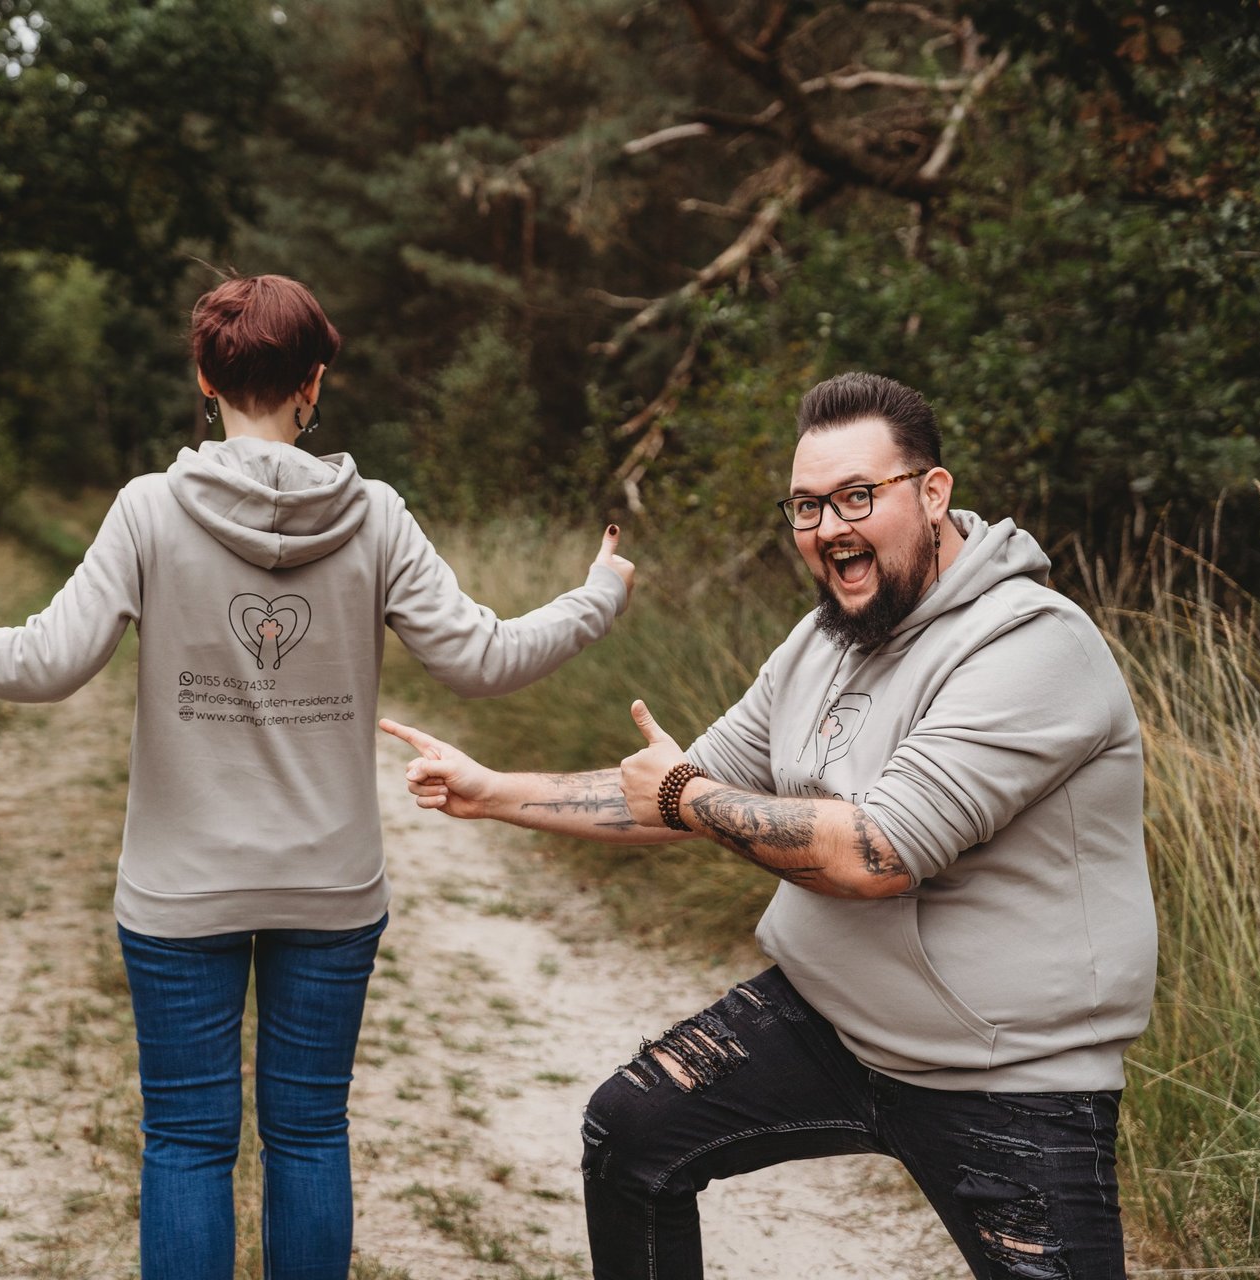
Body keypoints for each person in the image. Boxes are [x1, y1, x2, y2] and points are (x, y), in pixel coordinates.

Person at [0, 273, 634, 1280]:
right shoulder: (378, 515)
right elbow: (483, 659)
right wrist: (599, 591)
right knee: (307, 1131)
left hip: (179, 886)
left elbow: (40, 664)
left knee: (186, 1139)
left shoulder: (148, 511)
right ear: (314, 383)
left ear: (206, 379)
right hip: (332, 883)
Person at [381, 371, 1157, 1280]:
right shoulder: (825, 641)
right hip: (834, 1021)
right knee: (630, 1136)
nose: (831, 529)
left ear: (933, 492)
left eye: (858, 496)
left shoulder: (1030, 647)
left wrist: (684, 795)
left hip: (1009, 1077)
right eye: (806, 508)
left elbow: (873, 853)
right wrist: (491, 791)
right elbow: (680, 787)